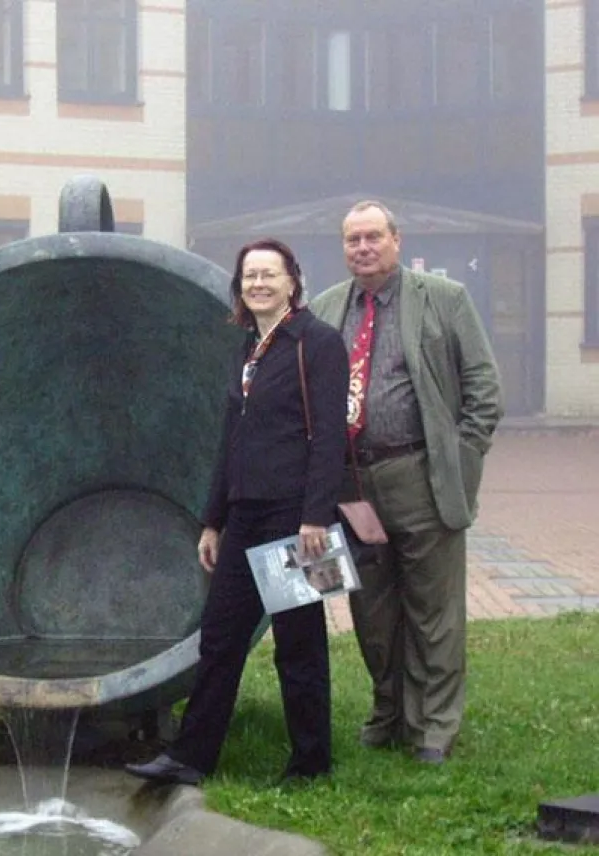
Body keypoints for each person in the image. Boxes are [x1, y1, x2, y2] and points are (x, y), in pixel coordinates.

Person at [125, 238, 348, 786]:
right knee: (220, 638)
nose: (258, 284)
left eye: (269, 274)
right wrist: (213, 519)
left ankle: (310, 763)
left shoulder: (317, 343)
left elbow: (330, 437)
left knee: (300, 644)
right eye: (249, 276)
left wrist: (316, 516)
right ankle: (190, 758)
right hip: (245, 516)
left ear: (293, 281)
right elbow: (232, 440)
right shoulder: (250, 347)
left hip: (298, 518)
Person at [309, 200, 502, 765]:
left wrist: (458, 459)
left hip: (418, 474)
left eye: (373, 237)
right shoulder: (325, 310)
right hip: (351, 484)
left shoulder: (444, 300)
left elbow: (483, 390)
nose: (363, 248)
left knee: (432, 609)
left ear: (396, 240)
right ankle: (389, 711)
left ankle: (434, 726)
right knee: (371, 611)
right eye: (352, 240)